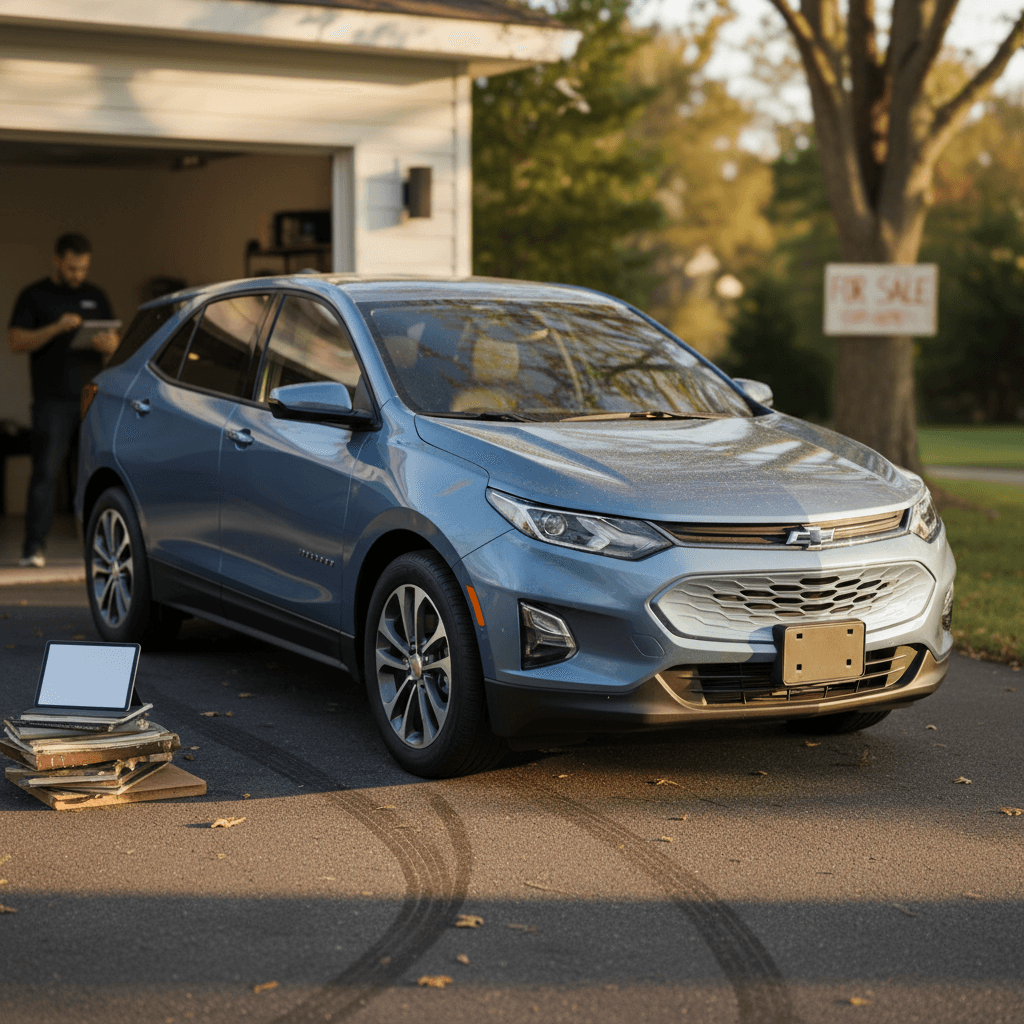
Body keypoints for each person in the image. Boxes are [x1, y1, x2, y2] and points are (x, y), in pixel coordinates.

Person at [8, 233, 119, 568]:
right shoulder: (34, 295)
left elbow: (117, 344)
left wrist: (108, 344)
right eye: (71, 268)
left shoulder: (95, 295)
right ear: (57, 260)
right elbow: (16, 340)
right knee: (45, 472)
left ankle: (98, 547)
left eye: (83, 268)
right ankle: (33, 548)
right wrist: (56, 328)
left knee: (96, 474)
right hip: (51, 401)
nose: (77, 275)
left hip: (91, 399)